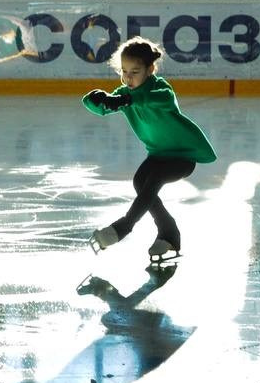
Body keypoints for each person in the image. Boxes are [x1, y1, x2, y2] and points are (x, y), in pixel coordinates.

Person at [82, 36, 217, 264]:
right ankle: (169, 231)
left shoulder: (161, 89)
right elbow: (95, 107)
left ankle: (123, 227)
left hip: (183, 156)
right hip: (157, 155)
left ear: (150, 69)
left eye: (134, 72)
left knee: (152, 180)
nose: (127, 78)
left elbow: (157, 100)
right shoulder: (125, 95)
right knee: (140, 182)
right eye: (124, 71)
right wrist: (97, 98)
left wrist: (126, 101)